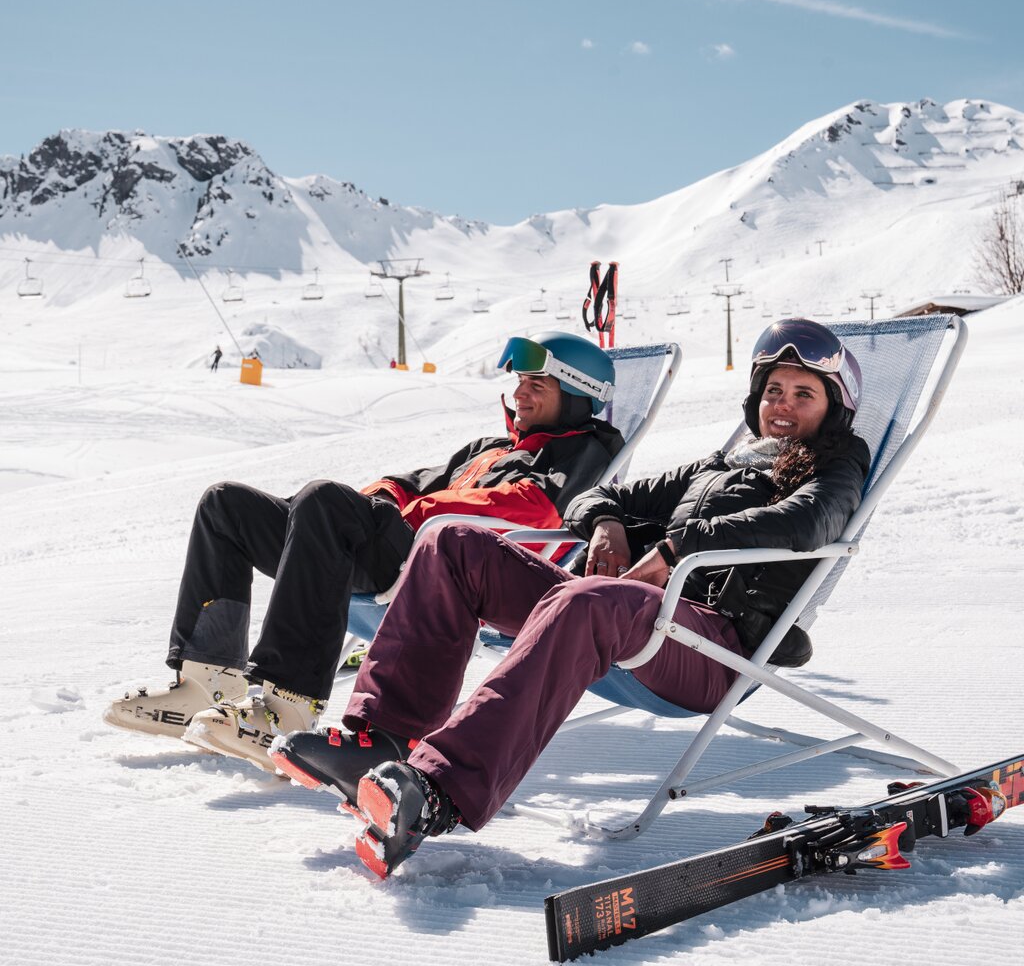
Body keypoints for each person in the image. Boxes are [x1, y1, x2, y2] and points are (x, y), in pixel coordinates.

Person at [271, 318, 871, 879]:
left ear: (833, 407)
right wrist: (607, 524)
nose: (783, 406)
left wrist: (672, 549)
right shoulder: (722, 465)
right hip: (641, 619)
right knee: (454, 545)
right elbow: (598, 496)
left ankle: (436, 793)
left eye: (803, 394)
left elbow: (805, 524)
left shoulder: (838, 464)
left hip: (714, 646)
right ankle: (382, 740)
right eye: (774, 391)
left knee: (587, 599)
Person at [104, 332, 623, 774]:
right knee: (227, 506)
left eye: (538, 385)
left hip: (439, 561)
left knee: (325, 501)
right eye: (519, 383)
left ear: (578, 396)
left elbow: (532, 510)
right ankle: (209, 684)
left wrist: (414, 511)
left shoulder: (582, 448)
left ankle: (285, 709)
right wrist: (383, 498)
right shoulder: (491, 447)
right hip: (403, 541)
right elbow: (410, 481)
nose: (521, 394)